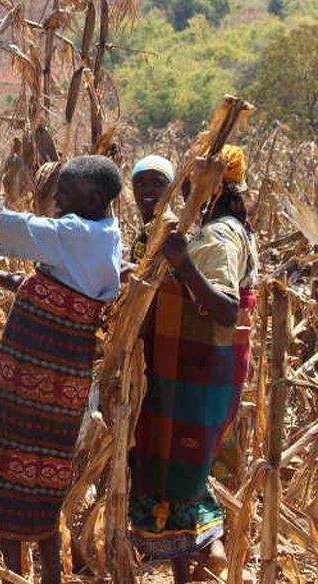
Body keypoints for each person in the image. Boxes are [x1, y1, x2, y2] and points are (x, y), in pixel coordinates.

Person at [0, 125, 123, 584]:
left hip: (31, 375)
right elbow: (46, 284)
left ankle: (15, 575)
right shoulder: (105, 230)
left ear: (94, 197)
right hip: (59, 377)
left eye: (67, 191)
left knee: (12, 476)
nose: (58, 197)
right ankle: (45, 578)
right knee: (42, 478)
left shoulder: (75, 232)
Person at [129, 145, 258, 582]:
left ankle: (191, 565)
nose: (182, 186)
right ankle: (196, 558)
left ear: (212, 182)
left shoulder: (219, 235)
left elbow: (225, 309)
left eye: (190, 177)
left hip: (197, 366)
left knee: (178, 466)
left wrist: (182, 263)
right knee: (180, 464)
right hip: (193, 362)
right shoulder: (218, 227)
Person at [130, 155, 176, 262]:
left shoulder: (170, 231)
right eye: (140, 184)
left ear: (171, 189)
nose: (147, 190)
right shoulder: (146, 231)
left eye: (157, 184)